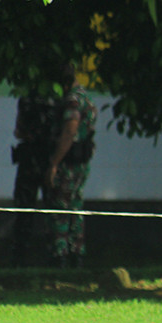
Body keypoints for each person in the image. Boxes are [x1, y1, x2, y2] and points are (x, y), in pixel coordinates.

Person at [44, 62, 97, 269]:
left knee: (60, 209)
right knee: (76, 209)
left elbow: (69, 132)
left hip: (68, 164)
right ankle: (77, 255)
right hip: (82, 164)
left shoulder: (72, 101)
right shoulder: (86, 98)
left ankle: (61, 257)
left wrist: (54, 163)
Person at [11, 94, 59, 266]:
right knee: (54, 212)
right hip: (48, 161)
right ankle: (57, 256)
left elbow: (19, 131)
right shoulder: (59, 98)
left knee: (24, 213)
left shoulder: (26, 100)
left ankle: (19, 258)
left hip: (30, 163)